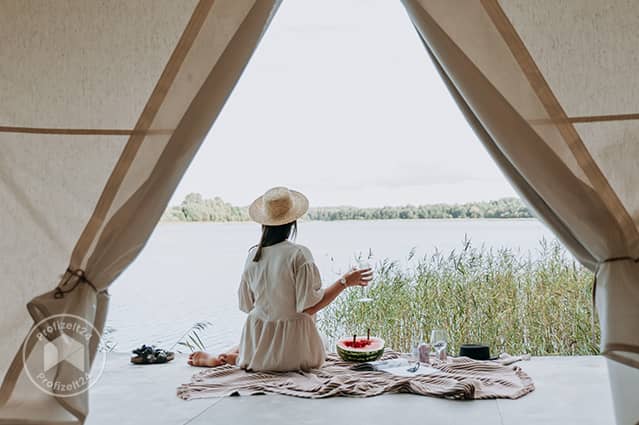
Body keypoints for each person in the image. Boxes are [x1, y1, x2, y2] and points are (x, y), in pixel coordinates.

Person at [188, 186, 372, 371]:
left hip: (257, 349)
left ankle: (231, 357)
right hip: (296, 354)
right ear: (293, 222)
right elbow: (309, 307)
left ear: (263, 223)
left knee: (262, 322)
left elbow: (246, 305)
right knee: (319, 338)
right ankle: (235, 356)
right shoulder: (299, 254)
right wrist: (345, 282)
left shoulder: (252, 255)